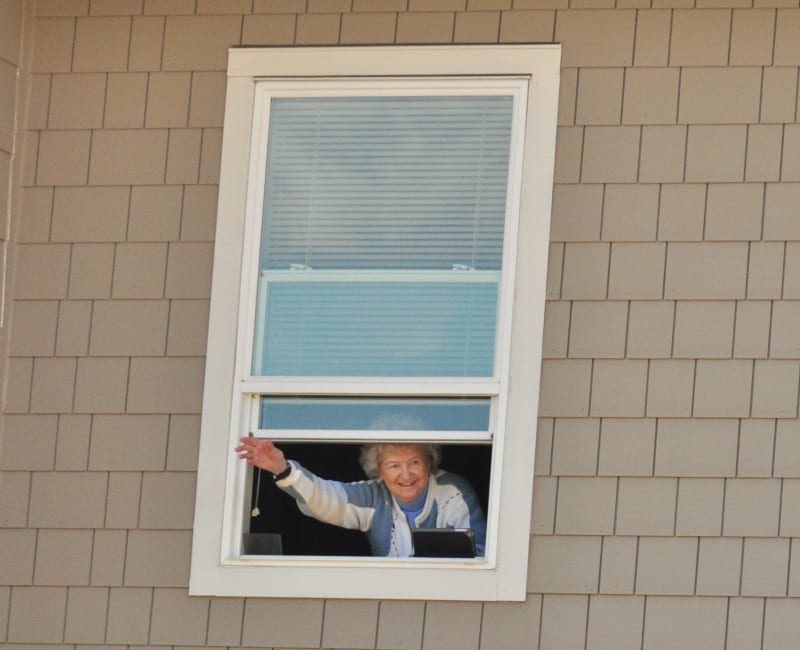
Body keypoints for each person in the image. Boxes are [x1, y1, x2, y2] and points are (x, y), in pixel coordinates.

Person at [235, 437, 486, 557]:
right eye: (394, 465)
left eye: (414, 462)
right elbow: (328, 498)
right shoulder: (373, 494)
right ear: (379, 470)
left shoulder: (453, 492)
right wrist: (283, 469)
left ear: (428, 462)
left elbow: (477, 554)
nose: (406, 474)